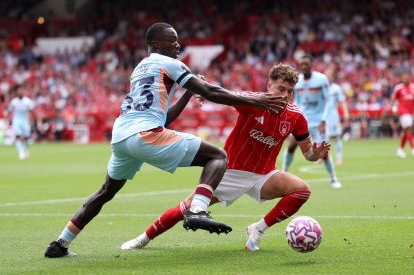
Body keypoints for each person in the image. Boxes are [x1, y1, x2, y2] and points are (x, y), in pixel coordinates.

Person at [44, 22, 287, 258]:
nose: (178, 44)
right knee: (218, 157)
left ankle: (61, 242)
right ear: (156, 43)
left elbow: (164, 118)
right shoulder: (169, 63)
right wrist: (258, 101)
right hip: (144, 135)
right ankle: (197, 210)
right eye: (172, 40)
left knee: (105, 192)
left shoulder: (140, 68)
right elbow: (210, 91)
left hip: (122, 138)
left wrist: (186, 95)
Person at [120, 63, 331, 252]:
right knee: (185, 209)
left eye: (290, 92)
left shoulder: (296, 117)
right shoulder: (252, 101)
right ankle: (142, 239)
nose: (285, 95)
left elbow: (308, 152)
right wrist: (204, 93)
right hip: (230, 172)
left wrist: (316, 154)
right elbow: (224, 95)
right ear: (269, 86)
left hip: (264, 175)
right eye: (281, 89)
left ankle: (258, 229)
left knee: (302, 191)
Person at [282, 55, 341, 188]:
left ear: (311, 65)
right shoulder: (298, 81)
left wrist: (324, 120)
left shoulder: (321, 79)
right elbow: (297, 100)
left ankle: (333, 178)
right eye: (301, 64)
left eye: (306, 64)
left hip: (318, 121)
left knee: (322, 151)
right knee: (291, 146)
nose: (304, 67)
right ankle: (283, 174)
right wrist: (294, 115)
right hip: (302, 120)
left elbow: (328, 100)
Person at [326, 68, 349, 165]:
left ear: (332, 77)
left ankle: (339, 157)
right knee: (323, 137)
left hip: (333, 116)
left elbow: (342, 102)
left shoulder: (336, 88)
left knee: (336, 137)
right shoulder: (321, 88)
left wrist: (345, 113)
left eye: (328, 76)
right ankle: (324, 156)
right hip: (323, 116)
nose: (327, 78)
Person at [8, 88, 35, 160]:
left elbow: (32, 111)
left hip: (25, 120)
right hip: (16, 120)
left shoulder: (27, 101)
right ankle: (21, 152)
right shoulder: (14, 101)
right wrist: (9, 121)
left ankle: (25, 149)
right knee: (18, 136)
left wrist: (31, 120)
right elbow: (10, 111)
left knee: (26, 137)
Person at [392, 71, 414, 158]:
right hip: (403, 112)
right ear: (402, 79)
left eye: (407, 77)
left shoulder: (413, 87)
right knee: (409, 129)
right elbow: (395, 99)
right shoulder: (398, 88)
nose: (406, 79)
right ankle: (413, 149)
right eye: (404, 78)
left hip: (411, 112)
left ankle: (400, 150)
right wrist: (395, 108)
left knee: (406, 131)